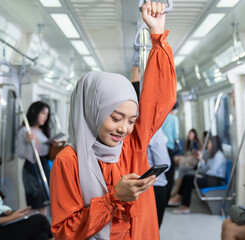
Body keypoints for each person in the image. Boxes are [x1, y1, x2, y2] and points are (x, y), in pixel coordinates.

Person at [49, 1, 176, 239]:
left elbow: (159, 98)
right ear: (92, 111)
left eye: (131, 120)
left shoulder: (131, 147)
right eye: (116, 118)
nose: (124, 129)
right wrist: (114, 198)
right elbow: (64, 232)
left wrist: (157, 36)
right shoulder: (68, 161)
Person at [0, 150, 53, 240]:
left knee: (41, 235)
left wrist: (13, 212)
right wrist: (12, 217)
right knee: (40, 219)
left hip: (2, 224)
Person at [131, 70, 171, 228]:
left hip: (131, 187)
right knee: (151, 231)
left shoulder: (123, 127)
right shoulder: (153, 129)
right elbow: (164, 162)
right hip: (154, 187)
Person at [168, 135, 227, 214]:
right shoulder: (212, 155)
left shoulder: (219, 156)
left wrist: (201, 175)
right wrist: (201, 160)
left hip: (214, 180)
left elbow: (212, 172)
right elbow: (205, 169)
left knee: (189, 179)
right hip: (209, 177)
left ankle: (184, 204)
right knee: (187, 177)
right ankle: (180, 199)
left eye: (209, 143)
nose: (207, 145)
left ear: (214, 144)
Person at [17, 101, 56, 216]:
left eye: (47, 115)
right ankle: (36, 228)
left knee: (45, 201)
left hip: (44, 165)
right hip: (32, 167)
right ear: (34, 112)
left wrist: (52, 146)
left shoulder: (42, 131)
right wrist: (30, 143)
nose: (45, 117)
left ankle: (43, 229)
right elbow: (20, 153)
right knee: (36, 203)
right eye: (43, 113)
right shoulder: (25, 131)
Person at [162, 103, 180, 202]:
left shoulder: (162, 116)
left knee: (162, 174)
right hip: (169, 148)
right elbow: (176, 135)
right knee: (170, 174)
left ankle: (162, 197)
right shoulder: (173, 118)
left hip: (160, 148)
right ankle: (167, 199)